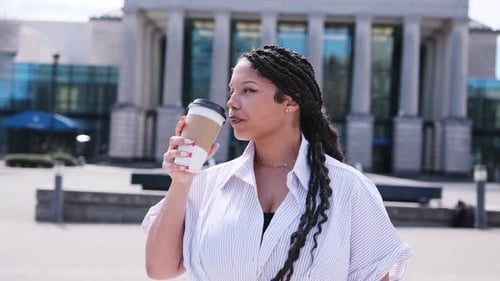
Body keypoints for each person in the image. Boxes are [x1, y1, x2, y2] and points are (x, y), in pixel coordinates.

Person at [142, 45, 413, 281]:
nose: (232, 103)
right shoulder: (208, 185)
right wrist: (181, 182)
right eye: (232, 91)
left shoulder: (349, 189)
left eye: (248, 90)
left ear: (290, 101)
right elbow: (160, 268)